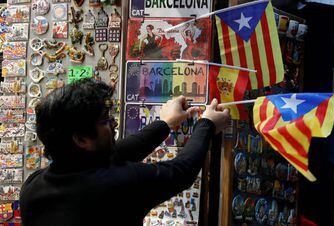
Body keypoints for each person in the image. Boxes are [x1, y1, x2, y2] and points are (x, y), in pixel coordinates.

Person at [20, 78, 230, 226]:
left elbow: (118, 152)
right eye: (105, 120)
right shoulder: (114, 185)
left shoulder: (33, 187)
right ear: (80, 139)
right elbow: (181, 171)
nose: (113, 124)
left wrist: (166, 123)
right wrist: (207, 124)